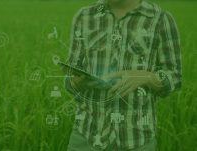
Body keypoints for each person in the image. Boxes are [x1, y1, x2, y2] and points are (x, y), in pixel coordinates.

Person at [64, 0, 182, 150]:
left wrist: (145, 77)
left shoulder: (160, 19)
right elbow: (70, 75)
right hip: (86, 138)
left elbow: (175, 76)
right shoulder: (84, 16)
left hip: (136, 140)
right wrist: (76, 81)